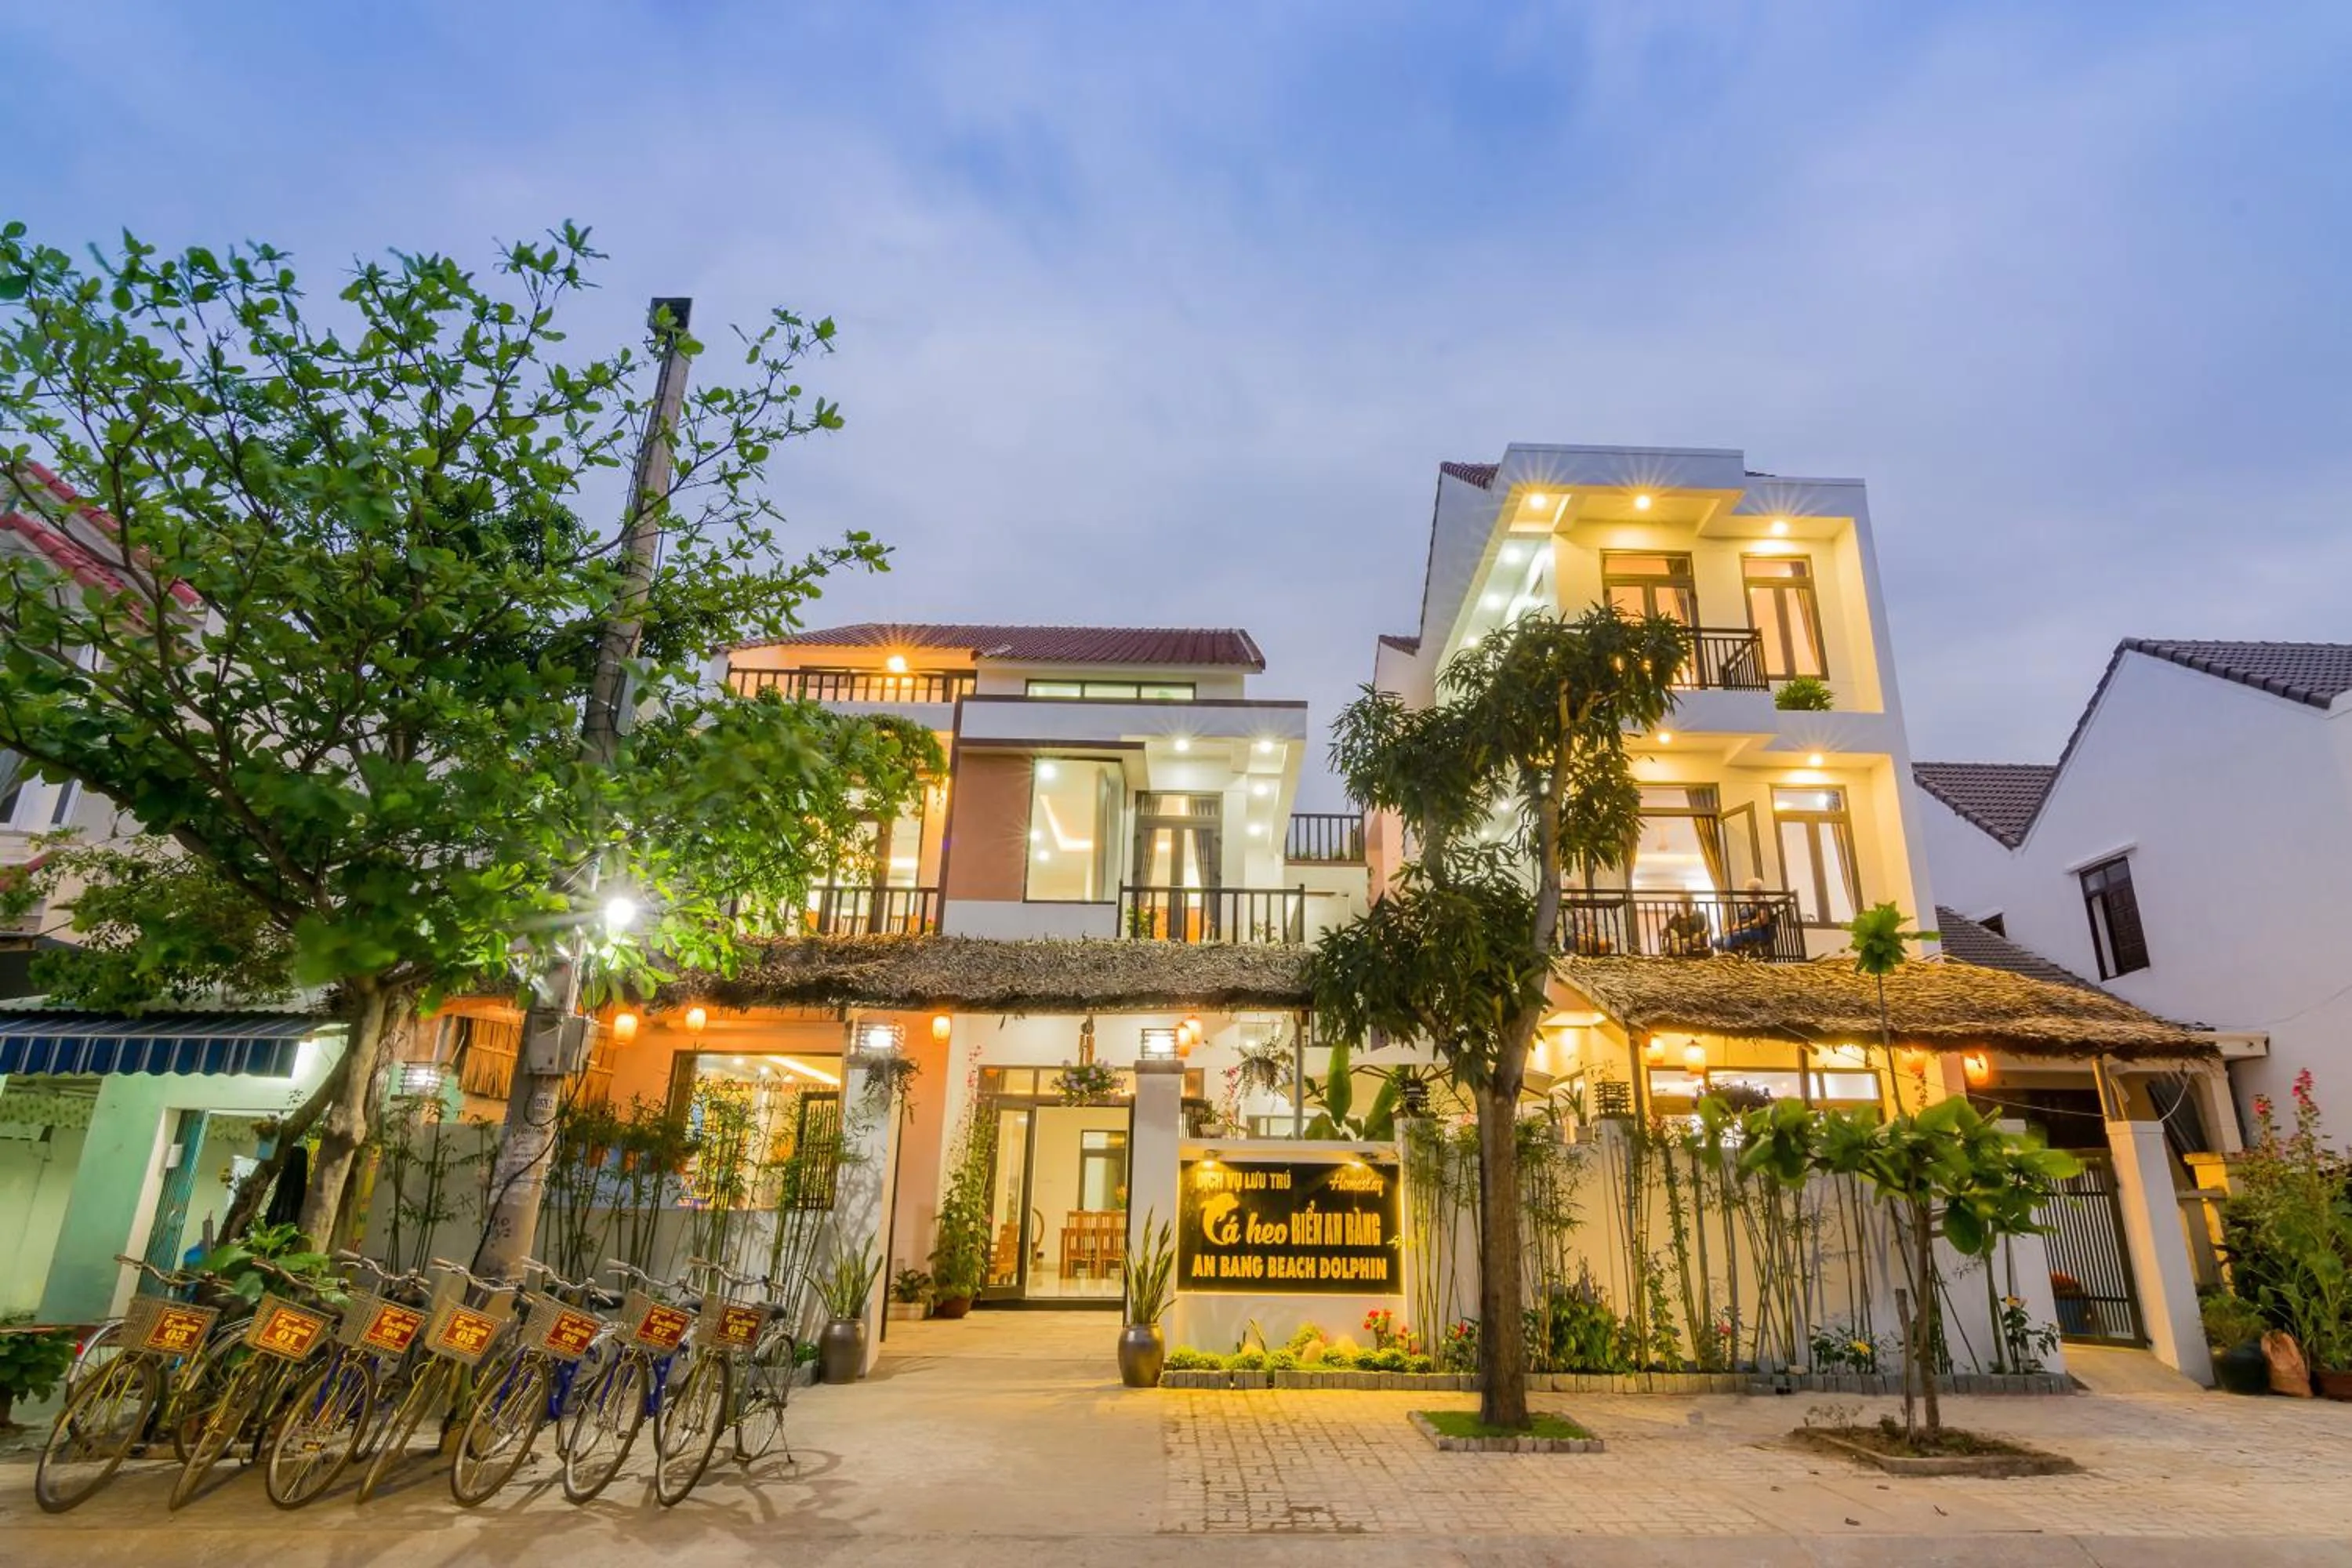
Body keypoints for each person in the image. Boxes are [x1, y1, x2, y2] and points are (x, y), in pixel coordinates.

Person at [1715, 877, 1780, 956]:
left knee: (1730, 939)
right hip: (1745, 931)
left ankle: (1737, 960)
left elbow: (1762, 921)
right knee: (1717, 941)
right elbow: (1737, 924)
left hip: (1761, 931)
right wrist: (1730, 929)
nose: (1750, 892)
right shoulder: (1744, 906)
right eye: (1749, 890)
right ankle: (1737, 958)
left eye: (1754, 890)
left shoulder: (1762, 903)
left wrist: (1741, 927)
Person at [1661, 893, 1711, 957]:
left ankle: (1679, 950)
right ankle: (1678, 949)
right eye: (1683, 903)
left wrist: (1700, 934)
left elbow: (1709, 928)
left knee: (1682, 945)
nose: (1686, 905)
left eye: (1689, 903)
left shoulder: (1700, 915)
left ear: (1692, 903)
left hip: (1694, 941)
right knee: (1673, 941)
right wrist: (1665, 932)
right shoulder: (1675, 917)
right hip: (1678, 941)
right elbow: (1665, 930)